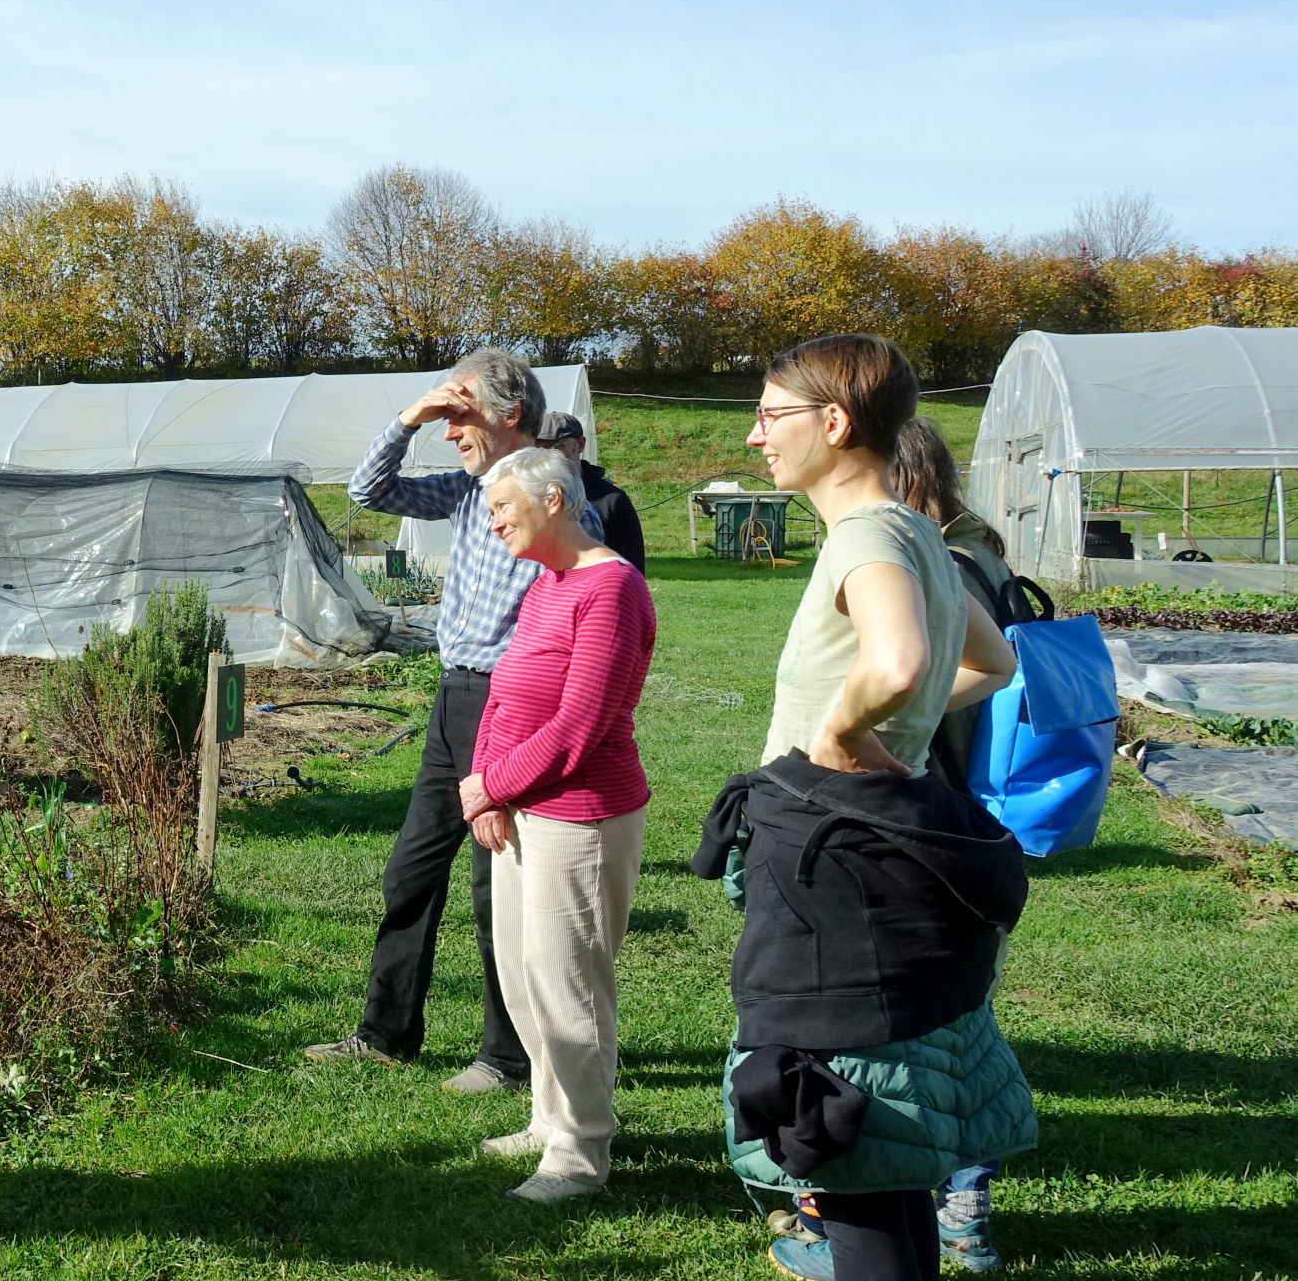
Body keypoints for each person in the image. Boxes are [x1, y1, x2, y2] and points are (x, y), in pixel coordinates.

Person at [694, 333, 1029, 1281]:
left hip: (829, 876)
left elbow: (904, 664)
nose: (757, 437)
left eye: (770, 414)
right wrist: (905, 736)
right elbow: (992, 663)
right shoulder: (921, 532)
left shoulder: (869, 534)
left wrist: (841, 740)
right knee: (878, 1164)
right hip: (858, 861)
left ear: (833, 423)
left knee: (842, 1142)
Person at [301, 348, 602, 1093]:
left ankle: (507, 1056)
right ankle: (386, 1033)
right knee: (411, 869)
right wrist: (411, 416)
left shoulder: (550, 498)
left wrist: (527, 718)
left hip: (512, 703)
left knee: (497, 885)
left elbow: (576, 605)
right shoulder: (471, 492)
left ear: (509, 417)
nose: (447, 433)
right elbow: (370, 490)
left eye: (458, 417)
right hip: (452, 696)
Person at [456, 446, 655, 1202]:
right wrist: (488, 789)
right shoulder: (548, 584)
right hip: (520, 809)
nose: (493, 518)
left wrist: (488, 785)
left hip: (583, 815)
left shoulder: (610, 590)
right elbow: (506, 694)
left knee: (572, 984)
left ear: (554, 500)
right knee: (527, 974)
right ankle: (550, 1118)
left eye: (503, 505)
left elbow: (581, 726)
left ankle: (580, 1154)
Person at [888, 415, 1019, 1273]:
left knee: (943, 1024)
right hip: (984, 820)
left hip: (942, 817)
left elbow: (964, 674)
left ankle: (956, 1205)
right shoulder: (984, 549)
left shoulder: (937, 563)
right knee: (961, 1015)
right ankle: (947, 1201)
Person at [535, 411, 646, 572]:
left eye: (558, 446)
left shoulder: (612, 500)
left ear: (580, 444)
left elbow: (633, 568)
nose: (548, 454)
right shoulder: (529, 496)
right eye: (541, 446)